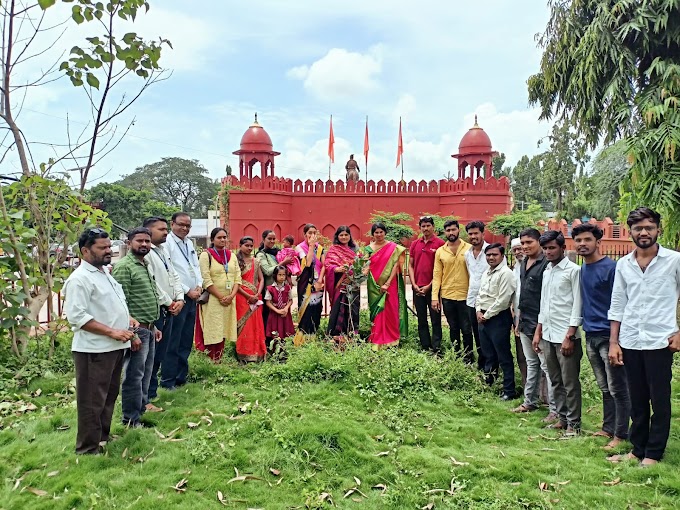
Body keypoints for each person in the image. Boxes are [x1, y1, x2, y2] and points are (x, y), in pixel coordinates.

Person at [607, 207, 680, 466]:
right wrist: (614, 342)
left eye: (649, 227)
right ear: (631, 232)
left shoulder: (674, 260)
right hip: (630, 341)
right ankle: (637, 449)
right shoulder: (623, 265)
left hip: (660, 341)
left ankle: (653, 453)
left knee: (659, 400)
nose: (644, 232)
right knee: (637, 399)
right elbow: (617, 304)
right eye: (638, 228)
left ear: (658, 229)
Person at [63, 228, 136, 454]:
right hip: (94, 350)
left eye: (109, 246)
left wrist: (128, 320)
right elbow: (77, 316)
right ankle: (87, 448)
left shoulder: (104, 272)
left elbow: (112, 304)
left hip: (114, 347)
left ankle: (102, 438)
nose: (109, 251)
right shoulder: (80, 279)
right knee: (92, 401)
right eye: (102, 248)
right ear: (85, 251)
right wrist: (112, 332)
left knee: (108, 396)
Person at [574, 223, 630, 450]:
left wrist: (617, 339)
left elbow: (622, 303)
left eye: (587, 240)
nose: (582, 244)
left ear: (599, 242)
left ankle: (621, 434)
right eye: (578, 240)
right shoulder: (583, 269)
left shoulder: (612, 268)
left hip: (610, 336)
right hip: (591, 334)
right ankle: (608, 428)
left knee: (618, 387)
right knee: (604, 386)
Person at [532, 230, 583, 435]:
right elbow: (544, 305)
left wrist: (570, 336)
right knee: (555, 380)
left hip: (566, 336)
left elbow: (578, 305)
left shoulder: (573, 271)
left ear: (563, 248)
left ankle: (574, 424)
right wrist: (538, 331)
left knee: (570, 383)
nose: (548, 252)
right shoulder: (547, 271)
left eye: (552, 247)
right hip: (548, 334)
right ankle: (561, 418)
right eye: (545, 248)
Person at [111, 227, 162, 428]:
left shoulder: (144, 264)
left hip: (148, 328)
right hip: (136, 331)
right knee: (134, 375)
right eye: (139, 241)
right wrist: (131, 334)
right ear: (129, 242)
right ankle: (130, 419)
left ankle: (140, 412)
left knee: (145, 374)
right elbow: (119, 302)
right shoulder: (125, 267)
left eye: (147, 241)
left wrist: (154, 326)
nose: (144, 245)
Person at [512, 228, 556, 417]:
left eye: (529, 242)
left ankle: (555, 410)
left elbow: (548, 298)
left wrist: (540, 326)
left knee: (547, 366)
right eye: (523, 243)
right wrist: (518, 319)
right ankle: (530, 401)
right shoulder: (523, 263)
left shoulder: (546, 263)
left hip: (541, 322)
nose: (525, 246)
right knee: (531, 363)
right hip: (524, 321)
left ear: (539, 242)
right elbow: (523, 295)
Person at [143, 216, 184, 409]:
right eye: (161, 229)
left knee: (163, 351)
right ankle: (148, 395)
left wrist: (180, 298)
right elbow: (153, 283)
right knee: (153, 354)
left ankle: (152, 391)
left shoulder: (162, 251)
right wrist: (169, 302)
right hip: (158, 308)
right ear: (148, 231)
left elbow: (173, 275)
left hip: (172, 306)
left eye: (166, 228)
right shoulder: (146, 254)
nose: (166, 232)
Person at [163, 212, 202, 391]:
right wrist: (187, 291)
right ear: (172, 224)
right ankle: (168, 379)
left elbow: (195, 266)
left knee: (186, 339)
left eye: (188, 226)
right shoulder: (167, 243)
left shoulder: (188, 243)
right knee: (174, 339)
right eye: (181, 225)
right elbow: (171, 271)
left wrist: (200, 285)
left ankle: (181, 376)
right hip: (179, 297)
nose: (184, 228)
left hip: (194, 296)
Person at [476, 243, 517, 400]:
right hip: (483, 316)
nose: (491, 257)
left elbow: (503, 299)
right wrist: (479, 311)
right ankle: (489, 382)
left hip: (498, 317)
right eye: (488, 255)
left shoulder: (506, 273)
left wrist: (487, 315)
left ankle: (509, 390)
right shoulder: (487, 272)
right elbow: (480, 294)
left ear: (502, 256)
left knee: (503, 354)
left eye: (494, 255)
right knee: (488, 353)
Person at [194, 227, 242, 362]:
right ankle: (209, 360)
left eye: (224, 237)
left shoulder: (231, 255)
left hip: (229, 299)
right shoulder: (206, 255)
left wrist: (231, 296)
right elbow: (205, 278)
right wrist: (221, 297)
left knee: (224, 328)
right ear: (213, 239)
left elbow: (237, 277)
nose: (222, 240)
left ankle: (218, 359)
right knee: (212, 328)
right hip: (213, 300)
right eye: (219, 237)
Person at [431, 220, 472, 361]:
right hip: (447, 295)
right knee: (453, 327)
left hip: (465, 295)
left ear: (458, 230)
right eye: (448, 230)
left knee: (467, 328)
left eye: (453, 230)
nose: (451, 233)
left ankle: (468, 357)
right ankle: (456, 354)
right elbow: (437, 275)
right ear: (444, 232)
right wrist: (434, 297)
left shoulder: (469, 249)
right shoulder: (440, 252)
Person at [366, 222, 408, 348]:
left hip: (390, 284)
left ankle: (392, 339)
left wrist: (388, 283)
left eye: (381, 232)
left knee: (390, 310)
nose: (379, 235)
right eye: (376, 232)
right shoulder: (368, 249)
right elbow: (366, 265)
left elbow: (396, 265)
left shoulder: (394, 247)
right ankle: (377, 338)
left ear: (385, 232)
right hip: (373, 285)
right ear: (373, 234)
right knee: (377, 311)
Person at [408, 216, 444, 353]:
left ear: (433, 226)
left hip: (433, 288)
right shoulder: (415, 244)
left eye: (428, 225)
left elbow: (441, 269)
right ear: (420, 228)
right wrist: (413, 283)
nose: (426, 228)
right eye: (423, 226)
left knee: (435, 319)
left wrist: (429, 285)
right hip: (417, 287)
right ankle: (425, 346)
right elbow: (410, 265)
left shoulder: (440, 244)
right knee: (421, 319)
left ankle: (436, 347)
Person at [323, 226, 360, 339]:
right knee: (338, 307)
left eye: (346, 235)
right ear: (337, 237)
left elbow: (361, 266)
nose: (344, 237)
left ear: (350, 236)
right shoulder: (334, 249)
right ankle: (335, 334)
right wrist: (336, 269)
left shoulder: (356, 250)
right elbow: (328, 264)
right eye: (341, 235)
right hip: (339, 283)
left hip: (353, 283)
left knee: (353, 308)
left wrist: (354, 275)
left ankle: (352, 334)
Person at [235, 236, 267, 363]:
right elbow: (235, 281)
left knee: (255, 325)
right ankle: (243, 353)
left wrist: (258, 293)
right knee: (244, 326)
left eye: (251, 246)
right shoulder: (235, 261)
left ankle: (257, 353)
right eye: (246, 245)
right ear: (240, 245)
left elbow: (262, 279)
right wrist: (248, 296)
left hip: (255, 297)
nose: (249, 248)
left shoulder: (256, 261)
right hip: (241, 297)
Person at [464, 221, 489, 369]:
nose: (473, 236)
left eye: (476, 233)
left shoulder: (492, 252)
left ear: (482, 234)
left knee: (487, 336)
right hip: (472, 301)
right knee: (477, 335)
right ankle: (482, 364)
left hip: (487, 302)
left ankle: (490, 367)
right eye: (470, 234)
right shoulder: (467, 254)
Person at [257, 230, 292, 329]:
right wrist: (283, 263)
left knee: (283, 315)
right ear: (263, 239)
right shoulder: (261, 255)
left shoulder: (278, 252)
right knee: (270, 316)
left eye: (274, 239)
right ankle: (269, 340)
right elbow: (267, 271)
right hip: (271, 290)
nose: (272, 241)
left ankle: (281, 338)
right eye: (269, 239)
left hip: (282, 289)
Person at [295, 224, 325, 338]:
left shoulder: (320, 248)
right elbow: (307, 263)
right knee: (305, 311)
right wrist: (311, 246)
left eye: (314, 233)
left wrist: (320, 280)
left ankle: (313, 338)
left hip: (318, 283)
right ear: (305, 234)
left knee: (316, 310)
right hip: (305, 283)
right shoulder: (299, 247)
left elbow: (324, 265)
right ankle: (302, 339)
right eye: (310, 233)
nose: (312, 235)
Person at [510, 238, 527, 385]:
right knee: (521, 354)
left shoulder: (538, 267)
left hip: (532, 317)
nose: (518, 252)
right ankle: (526, 385)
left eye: (520, 248)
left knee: (536, 355)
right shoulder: (514, 269)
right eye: (514, 250)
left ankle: (542, 393)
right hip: (517, 316)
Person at [265, 265, 295, 340]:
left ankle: (285, 349)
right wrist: (277, 310)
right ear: (275, 275)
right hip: (274, 313)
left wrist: (286, 308)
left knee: (286, 331)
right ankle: (275, 349)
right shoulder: (270, 288)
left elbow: (290, 300)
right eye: (279, 275)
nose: (282, 277)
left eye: (283, 275)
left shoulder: (287, 287)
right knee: (275, 332)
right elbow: (268, 302)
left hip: (285, 313)